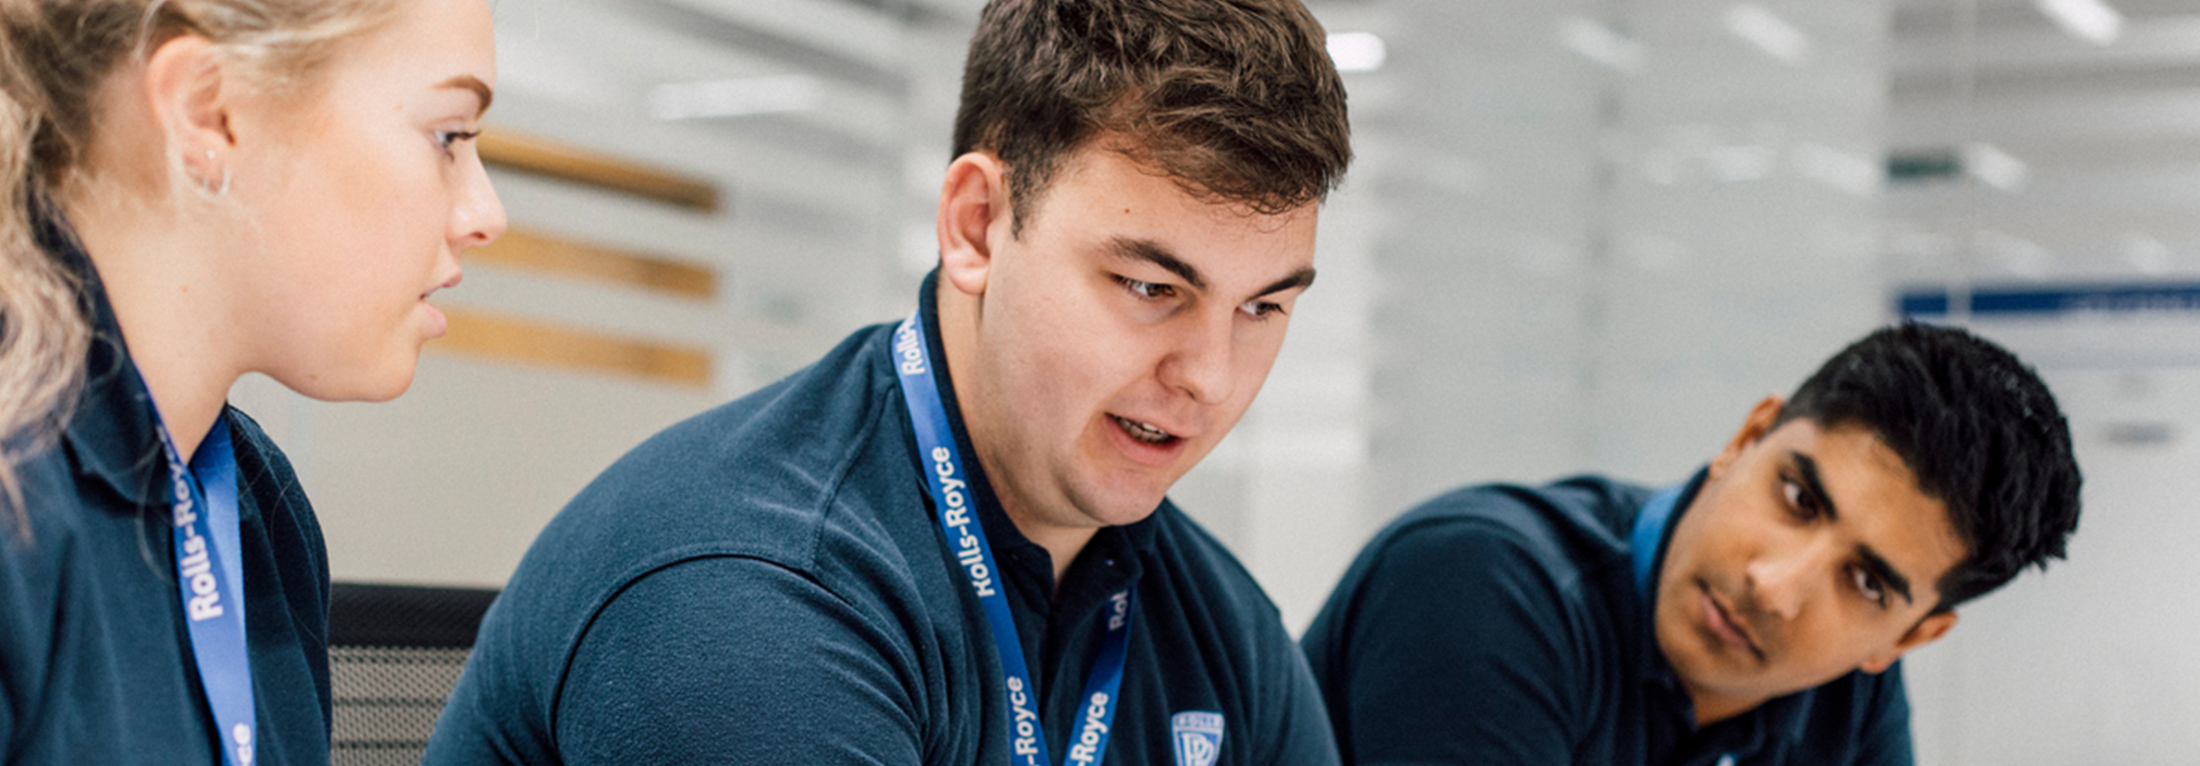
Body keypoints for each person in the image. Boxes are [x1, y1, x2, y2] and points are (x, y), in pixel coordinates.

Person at [423, 0, 1351, 764]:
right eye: (1150, 288)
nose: (1210, 377)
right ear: (978, 226)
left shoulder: (1218, 627)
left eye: (1263, 307)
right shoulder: (753, 595)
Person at [0, 0, 504, 762]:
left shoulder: (259, 507)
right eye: (449, 136)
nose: (485, 213)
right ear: (209, 110)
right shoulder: (19, 497)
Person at [1302, 323, 2083, 766]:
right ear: (1747, 437)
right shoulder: (1484, 586)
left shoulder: (1851, 696)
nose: (1775, 586)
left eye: (1867, 584)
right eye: (1798, 498)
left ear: (1907, 638)